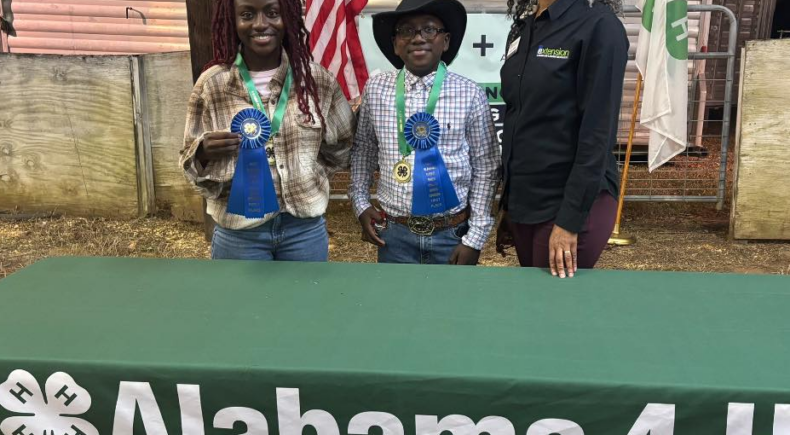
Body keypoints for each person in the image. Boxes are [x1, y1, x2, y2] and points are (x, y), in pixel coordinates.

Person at [180, 0, 355, 261]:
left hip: (304, 231)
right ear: (233, 21)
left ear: (289, 18)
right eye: (247, 14)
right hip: (239, 234)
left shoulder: (317, 81)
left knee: (304, 303)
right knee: (243, 304)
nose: (261, 24)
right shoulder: (212, 86)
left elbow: (343, 145)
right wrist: (203, 154)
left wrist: (308, 171)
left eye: (273, 13)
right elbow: (188, 164)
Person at [349, 0, 501, 266]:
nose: (418, 38)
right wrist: (360, 203)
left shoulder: (470, 94)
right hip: (394, 234)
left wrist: (474, 238)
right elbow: (364, 149)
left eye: (429, 30)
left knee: (450, 307)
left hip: (452, 234)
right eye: (407, 31)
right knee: (398, 307)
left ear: (446, 40)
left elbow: (486, 167)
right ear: (395, 44)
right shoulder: (376, 89)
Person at [498, 0, 628, 277]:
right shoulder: (526, 25)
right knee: (533, 305)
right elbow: (519, 115)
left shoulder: (600, 26)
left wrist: (570, 221)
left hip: (569, 205)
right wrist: (509, 204)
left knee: (552, 310)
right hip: (526, 201)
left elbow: (598, 132)